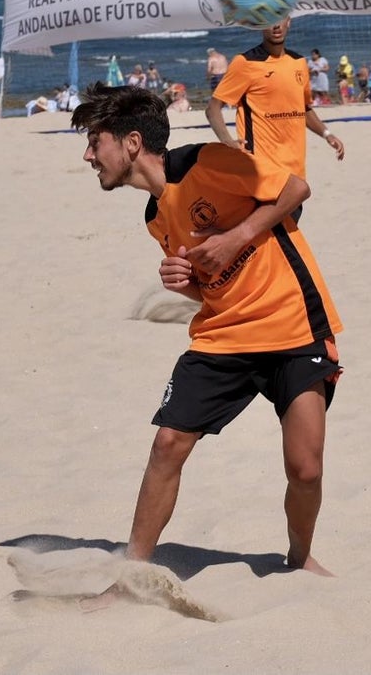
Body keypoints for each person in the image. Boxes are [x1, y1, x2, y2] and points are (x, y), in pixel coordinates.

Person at [71, 82, 344, 585]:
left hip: (293, 325)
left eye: (95, 141)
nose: (89, 156)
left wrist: (235, 237)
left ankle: (299, 557)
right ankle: (133, 574)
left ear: (132, 143)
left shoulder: (208, 161)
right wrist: (186, 284)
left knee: (305, 468)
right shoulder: (155, 217)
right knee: (168, 443)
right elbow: (211, 282)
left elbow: (295, 190)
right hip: (223, 336)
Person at [205, 16, 345, 210]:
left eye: (280, 18)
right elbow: (212, 108)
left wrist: (326, 134)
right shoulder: (245, 62)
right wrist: (228, 142)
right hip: (261, 172)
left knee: (287, 226)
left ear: (288, 21)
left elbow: (303, 108)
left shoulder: (298, 62)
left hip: (295, 173)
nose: (276, 25)